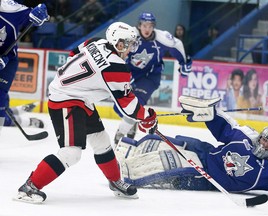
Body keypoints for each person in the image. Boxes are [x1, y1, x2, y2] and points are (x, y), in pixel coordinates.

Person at [15, 21, 158, 204]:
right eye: (129, 44)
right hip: (65, 100)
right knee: (71, 153)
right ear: (119, 43)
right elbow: (128, 106)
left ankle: (115, 182)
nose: (131, 48)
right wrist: (148, 117)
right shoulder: (116, 66)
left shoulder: (96, 41)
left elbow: (74, 53)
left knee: (101, 140)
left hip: (78, 98)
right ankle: (29, 187)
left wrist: (84, 84)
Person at [114, 96, 268, 199]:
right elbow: (226, 126)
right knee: (160, 141)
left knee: (163, 166)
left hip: (208, 177)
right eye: (264, 139)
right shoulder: (245, 137)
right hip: (205, 151)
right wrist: (209, 112)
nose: (265, 144)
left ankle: (123, 174)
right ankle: (127, 149)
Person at [114, 12, 192, 145]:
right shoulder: (130, 35)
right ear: (139, 25)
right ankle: (132, 121)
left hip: (151, 76)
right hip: (131, 74)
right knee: (119, 106)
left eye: (150, 26)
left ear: (153, 27)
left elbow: (177, 44)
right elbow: (116, 51)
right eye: (144, 25)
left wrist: (184, 62)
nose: (147, 29)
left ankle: (119, 137)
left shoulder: (162, 37)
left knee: (136, 103)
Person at [0, 1, 49, 136]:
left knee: (0, 104)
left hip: (8, 60)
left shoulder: (9, 8)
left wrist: (39, 14)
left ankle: (20, 118)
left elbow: (31, 18)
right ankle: (19, 116)